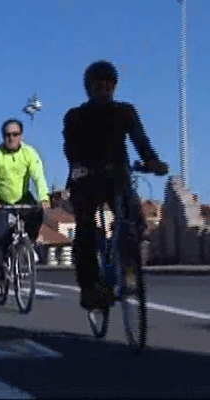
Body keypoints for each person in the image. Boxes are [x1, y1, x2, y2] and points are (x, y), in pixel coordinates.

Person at [62, 60, 168, 310]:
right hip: (86, 180)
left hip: (117, 177)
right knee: (85, 229)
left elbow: (140, 141)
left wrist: (153, 162)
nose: (104, 88)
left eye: (109, 83)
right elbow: (70, 147)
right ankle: (89, 288)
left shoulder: (125, 111)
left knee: (135, 222)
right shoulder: (76, 115)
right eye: (98, 83)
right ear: (89, 87)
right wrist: (78, 165)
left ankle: (128, 270)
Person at [0, 118, 50, 296]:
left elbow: (38, 176)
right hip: (0, 201)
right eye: (7, 135)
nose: (11, 138)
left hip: (23, 198)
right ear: (3, 136)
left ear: (21, 136)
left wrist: (44, 197)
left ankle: (28, 245)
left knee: (37, 212)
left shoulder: (30, 153)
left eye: (15, 134)